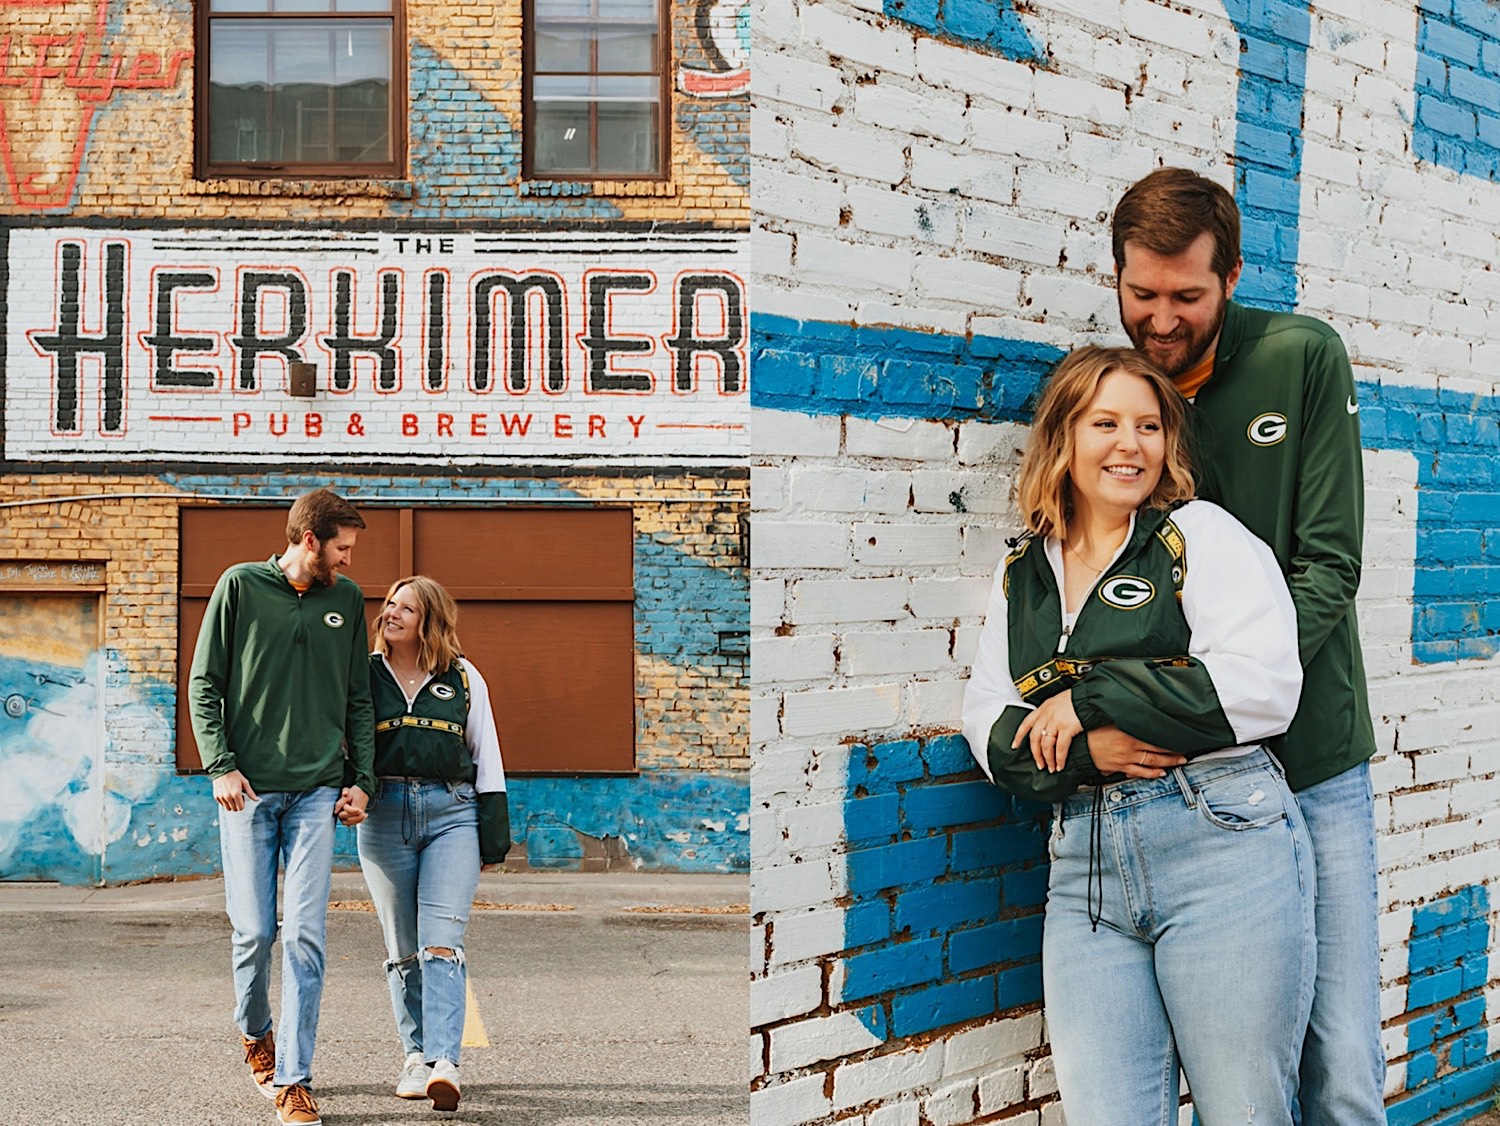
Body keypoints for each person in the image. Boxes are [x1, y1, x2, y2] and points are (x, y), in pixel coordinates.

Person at [962, 347, 1314, 1123]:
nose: (1132, 444)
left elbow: (1264, 688)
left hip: (1221, 842)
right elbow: (988, 722)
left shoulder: (1199, 535)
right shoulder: (1021, 571)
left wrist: (1088, 698)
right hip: (1084, 864)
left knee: (1244, 1111)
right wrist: (1095, 751)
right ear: (1064, 437)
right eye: (1107, 423)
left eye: (1150, 426)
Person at [1111, 167, 1383, 1123]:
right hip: (1200, 785)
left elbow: (1330, 567)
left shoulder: (1302, 356)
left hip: (1309, 757)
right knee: (1239, 1076)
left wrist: (1207, 691)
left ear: (1229, 277)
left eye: (1187, 295)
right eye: (1141, 293)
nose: (1161, 317)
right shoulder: (1126, 398)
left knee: (1340, 1057)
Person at [189, 487, 376, 1126]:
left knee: (303, 935)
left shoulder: (346, 602)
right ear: (309, 540)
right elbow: (204, 681)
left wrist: (363, 781)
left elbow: (358, 698)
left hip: (318, 792)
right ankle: (253, 1032)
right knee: (254, 932)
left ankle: (295, 1079)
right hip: (247, 792)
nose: (348, 561)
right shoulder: (240, 587)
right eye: (342, 548)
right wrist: (220, 764)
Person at [352, 575, 511, 1112]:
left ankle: (446, 1062)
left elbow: (485, 754)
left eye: (407, 608)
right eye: (390, 604)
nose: (391, 613)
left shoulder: (464, 677)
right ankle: (414, 1056)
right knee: (402, 949)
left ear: (430, 621)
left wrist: (493, 833)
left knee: (441, 942)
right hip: (382, 816)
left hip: (452, 814)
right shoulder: (363, 675)